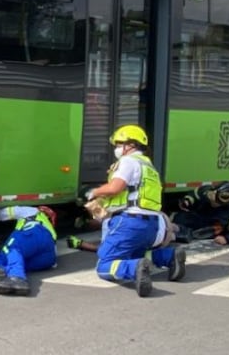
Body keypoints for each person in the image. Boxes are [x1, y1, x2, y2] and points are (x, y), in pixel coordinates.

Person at [63, 125, 185, 297]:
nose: (117, 148)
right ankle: (168, 256)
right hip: (152, 225)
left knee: (105, 265)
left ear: (131, 144)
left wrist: (93, 192)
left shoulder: (128, 162)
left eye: (119, 144)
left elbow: (115, 187)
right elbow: (129, 192)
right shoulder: (149, 167)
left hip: (129, 222)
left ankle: (134, 269)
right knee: (137, 253)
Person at [0, 205, 59, 296]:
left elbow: (5, 213)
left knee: (12, 247)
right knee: (2, 257)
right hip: (50, 258)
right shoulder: (51, 229)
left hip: (37, 233)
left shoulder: (33, 211)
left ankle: (17, 279)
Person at [171, 181, 229, 245]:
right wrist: (188, 200)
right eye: (211, 199)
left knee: (198, 232)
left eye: (215, 202)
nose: (212, 202)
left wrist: (227, 239)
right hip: (203, 214)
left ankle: (177, 232)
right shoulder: (209, 192)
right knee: (178, 218)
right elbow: (196, 193)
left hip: (217, 224)